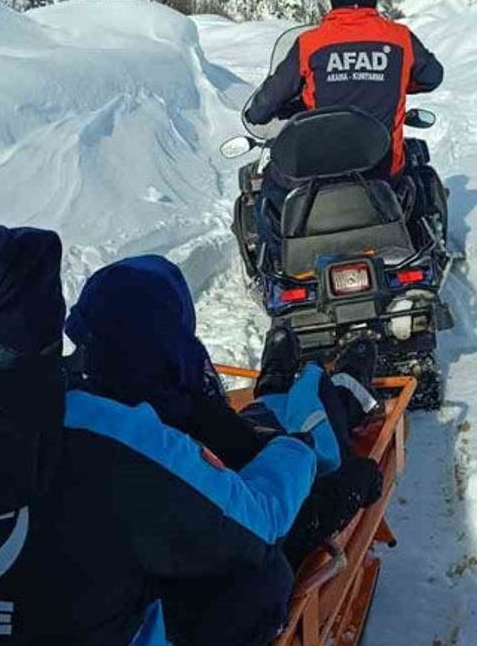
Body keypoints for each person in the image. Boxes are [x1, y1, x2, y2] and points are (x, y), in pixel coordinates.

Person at [0, 227, 320, 646]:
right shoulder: (114, 435)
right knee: (259, 579)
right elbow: (253, 524)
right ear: (51, 320)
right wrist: (295, 449)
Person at [64, 255, 385, 645]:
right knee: (316, 433)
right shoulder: (153, 440)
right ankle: (344, 390)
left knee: (265, 421)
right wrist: (347, 487)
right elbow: (261, 520)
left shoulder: (65, 411)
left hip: (139, 575)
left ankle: (278, 382)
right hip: (217, 545)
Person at [242, 0, 446, 262]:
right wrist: (396, 79)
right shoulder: (399, 38)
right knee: (416, 174)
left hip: (319, 175)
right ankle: (423, 242)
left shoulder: (311, 43)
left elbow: (267, 102)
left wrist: (256, 113)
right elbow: (432, 76)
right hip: (384, 170)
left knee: (269, 186)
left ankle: (275, 261)